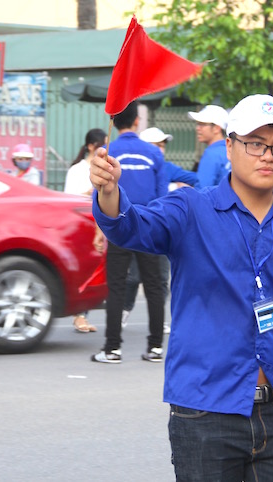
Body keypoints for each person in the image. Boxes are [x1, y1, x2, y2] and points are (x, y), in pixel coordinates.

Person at [90, 94, 273, 480]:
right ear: (230, 146)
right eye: (255, 143)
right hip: (205, 410)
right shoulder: (189, 209)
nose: (267, 155)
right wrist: (109, 192)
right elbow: (131, 226)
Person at [90, 101, 167, 364]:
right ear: (137, 121)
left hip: (118, 227)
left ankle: (112, 349)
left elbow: (100, 192)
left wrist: (100, 229)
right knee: (155, 287)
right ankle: (156, 347)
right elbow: (162, 196)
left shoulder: (108, 151)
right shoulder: (154, 153)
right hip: (149, 227)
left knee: (116, 287)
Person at [123, 126, 199, 334]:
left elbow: (196, 180)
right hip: (138, 226)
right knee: (133, 276)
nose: (161, 149)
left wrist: (181, 191)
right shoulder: (135, 167)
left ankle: (158, 323)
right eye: (156, 145)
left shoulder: (168, 167)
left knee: (162, 277)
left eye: (163, 145)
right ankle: (125, 310)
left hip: (164, 228)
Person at [64, 127, 108, 333]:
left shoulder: (105, 167)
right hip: (81, 224)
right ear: (91, 146)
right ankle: (79, 315)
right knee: (83, 269)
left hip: (99, 224)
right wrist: (89, 192)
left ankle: (85, 312)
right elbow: (68, 198)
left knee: (96, 269)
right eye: (102, 144)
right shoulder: (77, 170)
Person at [188, 104, 230, 187]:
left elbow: (203, 190)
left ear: (216, 128)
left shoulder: (212, 154)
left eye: (202, 124)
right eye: (198, 124)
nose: (198, 128)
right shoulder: (231, 151)